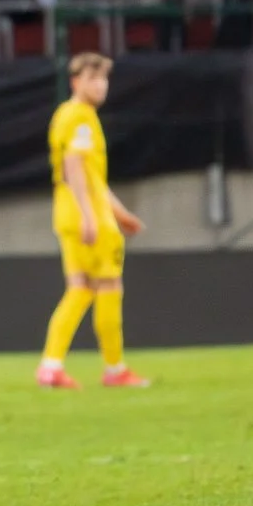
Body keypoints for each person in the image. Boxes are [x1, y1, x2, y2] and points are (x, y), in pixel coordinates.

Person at [36, 52, 149, 390]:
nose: (101, 85)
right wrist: (91, 216)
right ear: (75, 82)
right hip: (88, 217)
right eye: (92, 78)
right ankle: (115, 369)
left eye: (104, 78)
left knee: (80, 289)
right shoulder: (82, 118)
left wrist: (121, 213)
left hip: (67, 212)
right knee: (110, 288)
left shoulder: (64, 114)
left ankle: (51, 366)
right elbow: (74, 167)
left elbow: (90, 178)